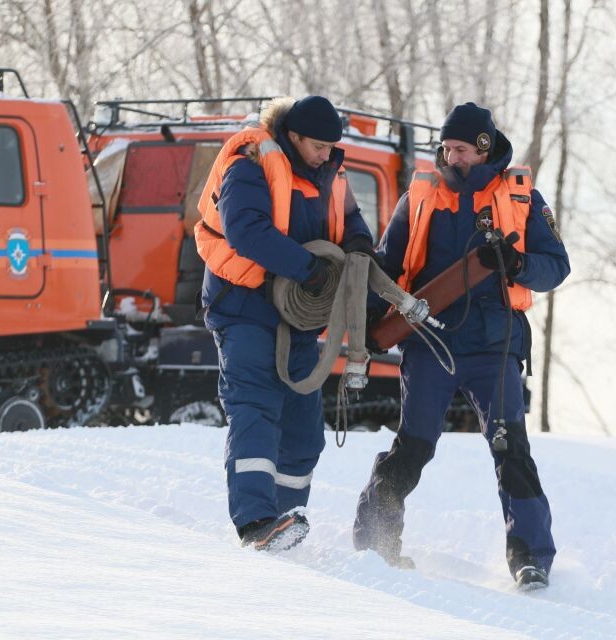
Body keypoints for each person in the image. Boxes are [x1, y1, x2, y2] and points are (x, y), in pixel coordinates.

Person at [353, 102, 570, 589]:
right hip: (429, 342)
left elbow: (557, 265)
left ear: (484, 148)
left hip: (496, 347)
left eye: (460, 149)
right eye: (446, 148)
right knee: (413, 447)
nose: (450, 157)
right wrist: (368, 319)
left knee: (511, 448)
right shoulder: (422, 193)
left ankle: (531, 558)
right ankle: (374, 543)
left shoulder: (523, 197)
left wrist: (516, 263)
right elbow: (388, 263)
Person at [195, 95, 378, 552]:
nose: (324, 154)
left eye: (329, 146)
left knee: (302, 427)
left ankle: (287, 522)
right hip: (245, 307)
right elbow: (245, 230)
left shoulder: (329, 172)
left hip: (298, 316)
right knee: (255, 408)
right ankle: (257, 523)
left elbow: (352, 221)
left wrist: (358, 246)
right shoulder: (250, 163)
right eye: (317, 146)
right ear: (293, 136)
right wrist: (307, 269)